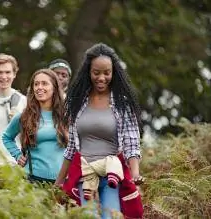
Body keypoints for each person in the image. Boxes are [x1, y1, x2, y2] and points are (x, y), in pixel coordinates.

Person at [55, 43, 143, 218]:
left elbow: (131, 144)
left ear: (113, 73)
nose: (101, 77)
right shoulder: (77, 103)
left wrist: (135, 174)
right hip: (84, 175)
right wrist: (59, 181)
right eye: (96, 72)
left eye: (106, 73)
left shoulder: (123, 105)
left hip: (111, 176)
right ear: (89, 72)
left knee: (110, 216)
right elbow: (72, 148)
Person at [2, 69, 67, 183]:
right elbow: (6, 137)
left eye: (44, 83)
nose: (39, 87)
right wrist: (17, 155)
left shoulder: (66, 116)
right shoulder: (24, 117)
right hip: (32, 180)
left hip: (63, 181)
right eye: (36, 84)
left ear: (54, 88)